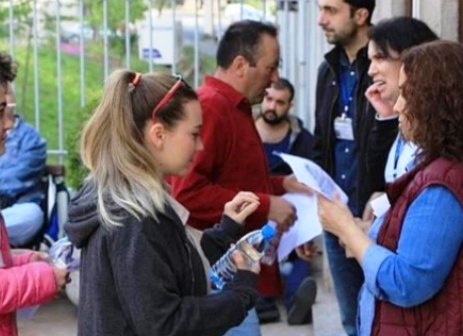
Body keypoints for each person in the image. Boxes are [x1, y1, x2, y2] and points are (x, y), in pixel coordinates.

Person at [317, 40, 463, 335]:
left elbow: (407, 282)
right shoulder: (448, 166)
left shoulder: (444, 185)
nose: (398, 105)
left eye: (406, 94)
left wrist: (348, 232)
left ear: (436, 103)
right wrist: (366, 233)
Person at [64, 69, 262, 336]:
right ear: (158, 135)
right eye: (194, 134)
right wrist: (241, 295)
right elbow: (164, 323)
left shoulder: (130, 200)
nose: (200, 145)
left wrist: (224, 231)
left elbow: (167, 266)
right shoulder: (135, 219)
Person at [167, 20, 312, 336]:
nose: (274, 79)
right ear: (240, 65)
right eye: (270, 68)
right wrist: (265, 204)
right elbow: (186, 195)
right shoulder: (211, 107)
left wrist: (280, 185)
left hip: (235, 271)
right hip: (216, 274)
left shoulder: (236, 108)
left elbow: (232, 178)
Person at [313, 0, 397, 334]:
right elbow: (322, 143)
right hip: (337, 211)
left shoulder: (383, 68)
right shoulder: (327, 70)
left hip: (374, 216)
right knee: (351, 321)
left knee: (383, 318)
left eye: (331, 10)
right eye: (321, 10)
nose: (321, 20)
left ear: (360, 15)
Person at [0, 49, 68, 336]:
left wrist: (20, 260)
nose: (8, 123)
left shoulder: (30, 140)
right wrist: (42, 278)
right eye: (0, 112)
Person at [360, 16, 439, 224]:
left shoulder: (437, 125)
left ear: (411, 57)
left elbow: (416, 196)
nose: (371, 70)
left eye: (380, 58)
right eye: (370, 60)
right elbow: (382, 185)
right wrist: (387, 118)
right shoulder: (401, 116)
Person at [255, 78, 318, 325]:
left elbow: (311, 179)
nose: (272, 106)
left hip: (294, 214)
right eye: (268, 99)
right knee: (257, 247)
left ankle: (295, 304)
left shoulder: (302, 139)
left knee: (301, 251)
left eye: (280, 102)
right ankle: (263, 302)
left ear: (289, 105)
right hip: (258, 211)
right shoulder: (246, 132)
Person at [0, 82, 47, 247]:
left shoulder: (31, 138)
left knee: (32, 214)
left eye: (7, 93)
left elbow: (17, 179)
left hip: (13, 209)